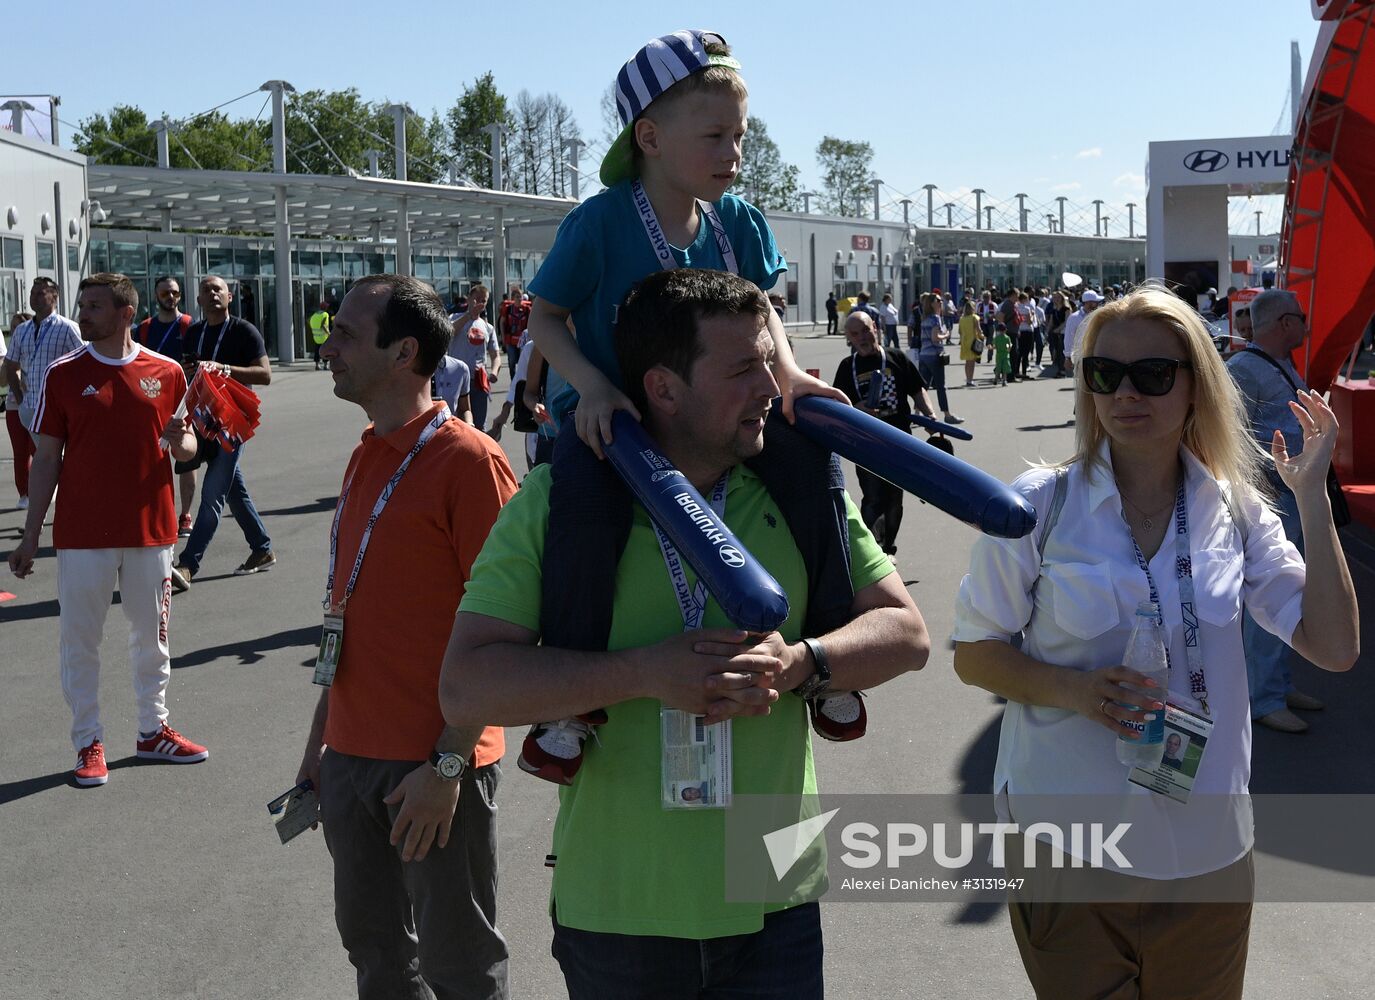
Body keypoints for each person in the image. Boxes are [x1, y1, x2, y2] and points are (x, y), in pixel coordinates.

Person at [441, 267, 930, 999]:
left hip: (775, 895)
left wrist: (801, 663)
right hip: (619, 910)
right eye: (743, 368)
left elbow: (905, 631)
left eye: (770, 359)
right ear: (664, 389)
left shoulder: (798, 493)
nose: (771, 386)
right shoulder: (562, 501)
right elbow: (465, 686)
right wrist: (640, 673)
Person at [952, 284, 1357, 1000]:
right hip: (1066, 844)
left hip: (1207, 853)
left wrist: (1311, 497)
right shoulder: (1037, 505)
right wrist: (1073, 690)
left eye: (1152, 374)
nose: (1125, 393)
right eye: (1103, 374)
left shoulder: (1235, 511)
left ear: (1195, 385)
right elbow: (974, 652)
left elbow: (1331, 646)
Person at [520, 28, 852, 782]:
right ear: (650, 138)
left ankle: (830, 651)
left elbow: (762, 307)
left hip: (718, 413)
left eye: (739, 135)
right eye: (714, 135)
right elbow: (545, 317)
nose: (733, 152)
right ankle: (568, 707)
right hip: (619, 419)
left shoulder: (739, 223)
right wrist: (592, 388)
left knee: (811, 464)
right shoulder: (601, 220)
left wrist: (791, 374)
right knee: (583, 503)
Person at [299, 274, 514, 999]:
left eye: (347, 334)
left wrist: (448, 769)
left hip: (435, 767)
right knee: (378, 961)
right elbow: (347, 613)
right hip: (351, 762)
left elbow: (509, 638)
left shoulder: (470, 462)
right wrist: (318, 747)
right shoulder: (367, 451)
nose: (329, 345)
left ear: (404, 353)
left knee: (460, 970)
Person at [6, 273, 210, 787]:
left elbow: (187, 451)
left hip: (152, 530)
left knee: (153, 639)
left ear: (124, 313)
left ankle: (152, 730)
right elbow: (47, 457)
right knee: (81, 641)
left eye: (94, 306)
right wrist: (30, 536)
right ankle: (88, 741)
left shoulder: (165, 372)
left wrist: (180, 441)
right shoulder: (63, 373)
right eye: (82, 305)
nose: (84, 314)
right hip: (82, 534)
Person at [1227, 288, 1329, 734]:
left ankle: (1277, 684)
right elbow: (1227, 436)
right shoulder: (1243, 370)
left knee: (1291, 587)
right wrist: (1267, 477)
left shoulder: (1271, 364)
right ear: (1285, 322)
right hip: (1272, 497)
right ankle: (1263, 697)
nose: (1306, 325)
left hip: (1288, 494)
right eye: (1301, 317)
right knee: (1272, 591)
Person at [170, 276, 275, 590]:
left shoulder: (244, 331)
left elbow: (265, 374)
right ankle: (262, 549)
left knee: (213, 493)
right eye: (206, 290)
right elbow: (189, 371)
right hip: (202, 419)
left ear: (229, 296)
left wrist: (225, 368)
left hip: (232, 423)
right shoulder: (194, 333)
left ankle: (188, 564)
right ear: (199, 301)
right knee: (233, 490)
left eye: (218, 289)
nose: (212, 294)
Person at [833, 309, 934, 560]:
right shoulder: (847, 367)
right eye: (855, 334)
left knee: (894, 500)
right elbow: (836, 405)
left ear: (875, 328)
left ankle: (888, 548)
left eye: (866, 330)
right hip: (866, 446)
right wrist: (857, 408)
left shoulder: (896, 358)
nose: (862, 337)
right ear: (849, 338)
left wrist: (931, 417)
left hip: (899, 442)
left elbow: (917, 389)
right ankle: (872, 552)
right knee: (873, 498)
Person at [136, 276, 197, 536]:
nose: (169, 297)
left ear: (179, 296)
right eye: (164, 293)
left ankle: (185, 514)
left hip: (182, 399)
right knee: (151, 459)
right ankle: (156, 512)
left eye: (173, 293)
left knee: (185, 459)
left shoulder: (188, 325)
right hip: (150, 399)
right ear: (156, 296)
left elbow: (199, 359)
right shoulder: (145, 329)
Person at [1, 277, 83, 446]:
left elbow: (85, 364)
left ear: (54, 297)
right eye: (32, 293)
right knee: (43, 458)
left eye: (40, 293)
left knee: (57, 458)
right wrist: (21, 399)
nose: (34, 297)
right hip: (30, 407)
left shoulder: (68, 328)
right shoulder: (22, 330)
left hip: (58, 408)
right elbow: (11, 366)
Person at [449, 283, 501, 431]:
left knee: (478, 426)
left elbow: (495, 354)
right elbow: (449, 333)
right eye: (477, 299)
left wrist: (495, 371)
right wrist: (469, 315)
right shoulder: (455, 317)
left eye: (483, 300)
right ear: (469, 298)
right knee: (456, 424)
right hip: (456, 380)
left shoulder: (488, 327)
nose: (480, 303)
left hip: (479, 380)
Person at [3, 309, 36, 508]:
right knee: (20, 452)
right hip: (14, 405)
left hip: (36, 405)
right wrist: (7, 364)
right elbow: (1, 380)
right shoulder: (11, 352)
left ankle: (39, 489)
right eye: (13, 327)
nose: (16, 331)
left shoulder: (37, 348)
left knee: (38, 451)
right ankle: (24, 493)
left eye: (19, 327)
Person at [915, 292, 962, 423]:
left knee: (923, 387)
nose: (941, 302)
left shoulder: (924, 318)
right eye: (938, 300)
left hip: (924, 354)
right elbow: (935, 338)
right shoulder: (936, 318)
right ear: (931, 303)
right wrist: (946, 335)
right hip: (934, 355)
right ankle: (947, 414)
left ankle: (917, 412)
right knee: (940, 386)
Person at [1061, 287, 1102, 370]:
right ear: (1089, 303)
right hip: (1080, 355)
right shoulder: (1074, 318)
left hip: (1098, 354)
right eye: (1096, 302)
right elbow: (1069, 337)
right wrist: (1068, 357)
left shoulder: (1100, 316)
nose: (1098, 304)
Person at [429, 353, 474, 424]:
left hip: (449, 430)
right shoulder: (411, 368)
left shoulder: (461, 368)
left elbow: (465, 409)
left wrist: (469, 424)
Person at [1046, 290, 1071, 377]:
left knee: (1062, 351)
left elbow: (1067, 321)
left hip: (1063, 332)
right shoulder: (1054, 309)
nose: (1056, 299)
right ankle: (1060, 369)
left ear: (1062, 298)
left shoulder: (1066, 309)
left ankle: (1062, 370)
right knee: (1056, 350)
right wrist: (1048, 331)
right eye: (1054, 298)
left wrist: (1059, 329)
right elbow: (1051, 322)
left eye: (1058, 297)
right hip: (1055, 332)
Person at [957, 300, 982, 386]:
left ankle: (968, 378)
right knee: (972, 362)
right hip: (973, 341)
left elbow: (959, 331)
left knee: (967, 362)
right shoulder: (975, 317)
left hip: (964, 341)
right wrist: (982, 336)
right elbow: (978, 330)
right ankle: (970, 380)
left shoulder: (961, 319)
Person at [309, 301, 332, 370]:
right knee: (325, 351)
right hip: (323, 337)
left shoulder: (314, 315)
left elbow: (310, 321)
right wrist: (328, 333)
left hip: (316, 337)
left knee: (317, 350)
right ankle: (325, 365)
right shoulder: (325, 314)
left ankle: (317, 365)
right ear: (325, 308)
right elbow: (323, 325)